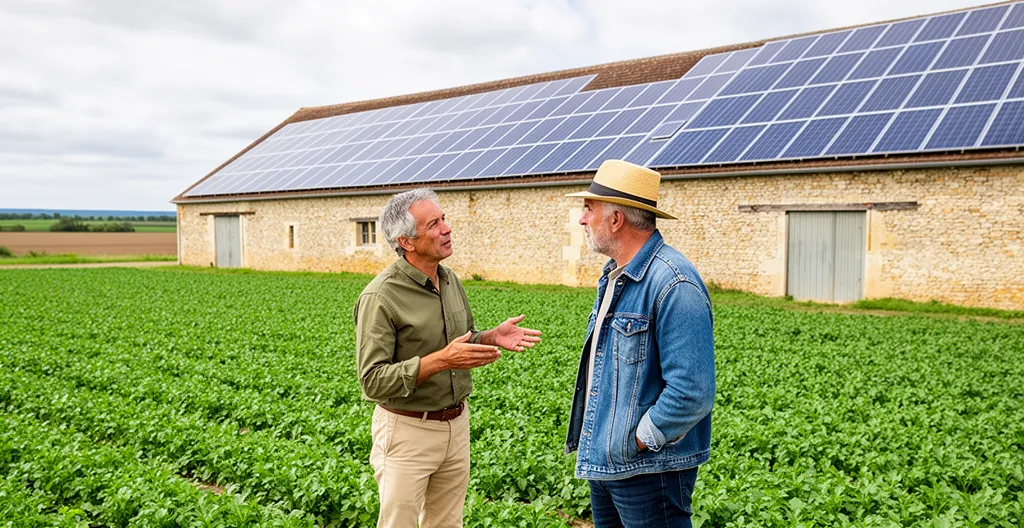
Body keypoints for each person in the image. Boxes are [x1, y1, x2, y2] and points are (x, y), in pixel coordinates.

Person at [354, 188, 541, 528]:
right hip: (407, 430)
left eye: (444, 219)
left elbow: (460, 341)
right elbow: (373, 381)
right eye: (434, 224)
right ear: (407, 241)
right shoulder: (380, 296)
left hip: (455, 426)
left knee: (447, 524)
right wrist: (441, 360)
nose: (447, 228)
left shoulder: (448, 278)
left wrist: (490, 337)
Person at [563, 160, 715, 528]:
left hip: (649, 471)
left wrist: (638, 440)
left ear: (616, 219)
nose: (583, 219)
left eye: (589, 209)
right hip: (607, 462)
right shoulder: (616, 276)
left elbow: (693, 391)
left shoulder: (674, 284)